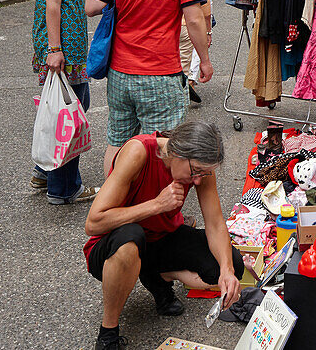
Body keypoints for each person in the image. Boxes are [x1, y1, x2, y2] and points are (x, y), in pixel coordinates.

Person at [84, 119, 243, 350]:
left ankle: (158, 276)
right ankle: (108, 331)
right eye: (195, 172)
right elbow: (94, 222)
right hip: (112, 246)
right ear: (177, 151)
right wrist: (156, 205)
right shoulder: (139, 152)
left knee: (231, 264)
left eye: (204, 174)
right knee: (131, 237)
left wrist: (227, 271)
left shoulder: (200, 168)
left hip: (159, 239)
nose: (197, 180)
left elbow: (216, 224)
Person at [85, 0, 212, 177]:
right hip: (161, 73)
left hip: (119, 72)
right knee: (166, 145)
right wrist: (204, 60)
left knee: (118, 144)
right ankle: (160, 211)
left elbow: (91, 7)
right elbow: (193, 19)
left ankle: (112, 203)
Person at [29, 0, 134, 204]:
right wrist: (54, 49)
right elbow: (51, 3)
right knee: (71, 108)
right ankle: (63, 188)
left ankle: (44, 170)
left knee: (65, 102)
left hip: (72, 32)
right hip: (60, 35)